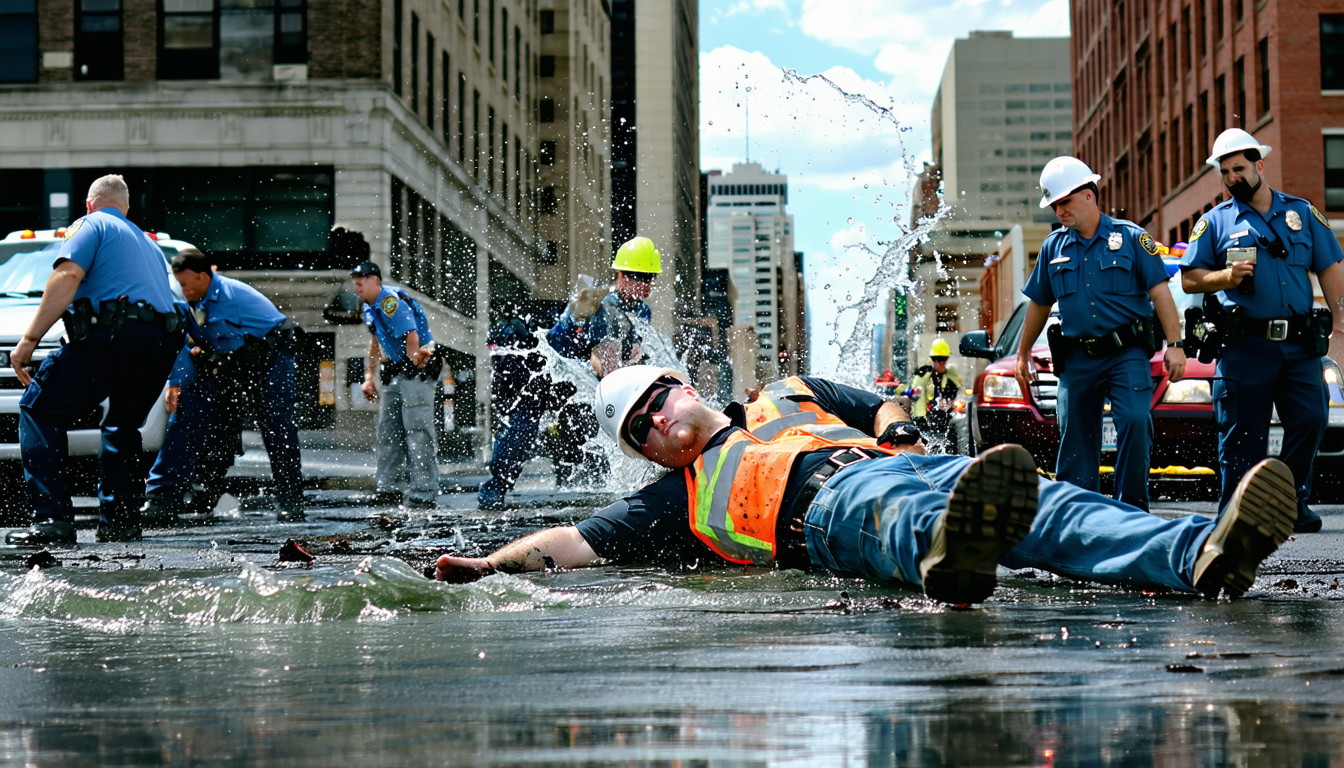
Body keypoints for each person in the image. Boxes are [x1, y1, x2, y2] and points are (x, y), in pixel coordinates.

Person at [433, 366, 1297, 606]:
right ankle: (944, 554)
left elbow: (878, 400)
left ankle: (1203, 554)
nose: (656, 421)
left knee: (1053, 501)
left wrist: (897, 430)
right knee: (891, 509)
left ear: (687, 386)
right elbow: (571, 543)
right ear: (649, 455)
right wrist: (487, 562)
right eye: (640, 431)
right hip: (828, 511)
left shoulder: (785, 391)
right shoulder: (680, 499)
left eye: (658, 400)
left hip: (909, 467)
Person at [1180, 128, 1344, 534]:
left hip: (1300, 345)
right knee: (1241, 437)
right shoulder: (1214, 223)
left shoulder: (1302, 213)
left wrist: (1340, 329)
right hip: (1245, 346)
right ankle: (1237, 515)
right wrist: (1225, 275)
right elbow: (1189, 279)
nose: (1233, 177)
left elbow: (1329, 270)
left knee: (1311, 419)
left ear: (1260, 166)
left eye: (1239, 169)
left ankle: (1287, 500)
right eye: (1226, 172)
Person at [6, 175, 183, 545]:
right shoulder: (148, 244)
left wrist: (29, 341)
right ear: (126, 207)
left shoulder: (90, 224)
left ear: (89, 203)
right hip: (159, 343)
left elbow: (68, 273)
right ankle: (120, 523)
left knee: (40, 410)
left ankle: (53, 521)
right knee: (122, 425)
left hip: (114, 335)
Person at [1015, 157, 1187, 512]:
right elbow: (1039, 305)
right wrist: (1022, 353)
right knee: (1075, 437)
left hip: (1126, 355)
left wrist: (1176, 345)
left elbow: (1160, 294)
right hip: (1076, 360)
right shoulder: (1053, 248)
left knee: (1136, 424)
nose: (1058, 211)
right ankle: (1080, 514)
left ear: (1090, 195)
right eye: (1054, 205)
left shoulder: (1133, 238)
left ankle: (1131, 511)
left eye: (1064, 202)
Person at [142, 248, 305, 524]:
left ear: (203, 277)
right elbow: (182, 340)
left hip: (269, 361)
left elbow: (267, 339)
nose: (181, 289)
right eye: (178, 283)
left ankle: (291, 500)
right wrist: (176, 384)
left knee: (277, 427)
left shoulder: (232, 295)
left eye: (184, 283)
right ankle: (163, 498)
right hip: (225, 362)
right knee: (186, 416)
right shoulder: (187, 301)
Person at [350, 261, 440, 509]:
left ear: (376, 280)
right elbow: (376, 341)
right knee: (388, 433)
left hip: (416, 368)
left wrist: (412, 365)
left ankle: (424, 492)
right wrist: (369, 376)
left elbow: (412, 336)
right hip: (395, 372)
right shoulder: (369, 307)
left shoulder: (390, 302)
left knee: (418, 432)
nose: (357, 283)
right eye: (356, 279)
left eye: (363, 278)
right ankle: (389, 489)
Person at [477, 318, 577, 510]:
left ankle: (498, 488)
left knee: (520, 439)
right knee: (519, 438)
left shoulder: (520, 352)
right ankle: (497, 487)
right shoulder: (513, 354)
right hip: (530, 406)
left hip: (535, 405)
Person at [547, 236, 660, 378]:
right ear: (622, 275)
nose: (647, 284)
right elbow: (599, 365)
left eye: (651, 277)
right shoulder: (602, 305)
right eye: (642, 277)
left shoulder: (642, 311)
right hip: (567, 371)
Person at [909, 339, 963, 453]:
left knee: (949, 447)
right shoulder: (923, 375)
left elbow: (959, 394)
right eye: (937, 359)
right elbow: (916, 398)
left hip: (946, 420)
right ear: (932, 360)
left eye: (943, 359)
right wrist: (920, 419)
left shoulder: (951, 377)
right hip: (927, 420)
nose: (940, 363)